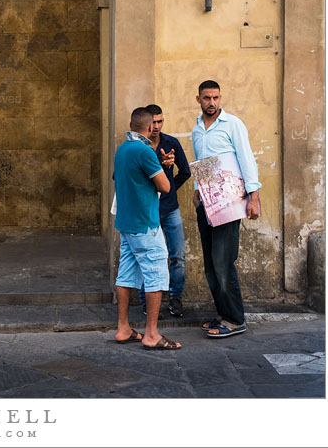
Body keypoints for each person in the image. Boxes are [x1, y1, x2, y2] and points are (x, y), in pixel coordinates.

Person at [192, 80, 261, 338]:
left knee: (223, 261)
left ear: (220, 98)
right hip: (207, 204)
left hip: (230, 203)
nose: (212, 102)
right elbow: (203, 163)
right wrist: (198, 193)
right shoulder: (197, 130)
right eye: (207, 98)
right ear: (198, 99)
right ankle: (223, 314)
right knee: (210, 264)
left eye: (216, 97)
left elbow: (246, 158)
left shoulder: (233, 125)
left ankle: (235, 319)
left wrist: (254, 197)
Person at [112, 108, 179, 350]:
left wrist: (157, 164)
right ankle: (151, 333)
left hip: (126, 224)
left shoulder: (122, 149)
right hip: (145, 224)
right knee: (156, 274)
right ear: (150, 127)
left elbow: (132, 177)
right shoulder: (145, 150)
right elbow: (165, 186)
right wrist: (162, 167)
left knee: (126, 275)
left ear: (131, 124)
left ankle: (123, 328)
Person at [137, 104, 191, 318]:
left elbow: (185, 172)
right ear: (148, 124)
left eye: (161, 121)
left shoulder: (172, 143)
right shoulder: (138, 147)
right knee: (148, 257)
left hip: (170, 210)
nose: (157, 126)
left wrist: (168, 190)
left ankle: (175, 298)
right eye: (154, 122)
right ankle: (146, 302)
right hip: (147, 212)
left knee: (178, 255)